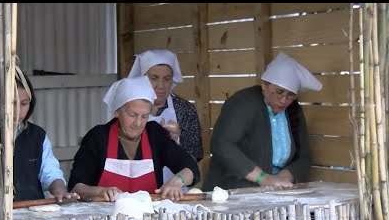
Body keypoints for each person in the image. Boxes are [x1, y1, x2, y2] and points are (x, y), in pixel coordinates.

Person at [67, 75, 201, 201]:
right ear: (117, 112)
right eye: (132, 115)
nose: (138, 123)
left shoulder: (155, 135)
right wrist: (99, 191)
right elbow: (76, 187)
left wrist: (177, 180)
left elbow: (190, 167)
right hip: (106, 219)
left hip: (149, 219)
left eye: (144, 116)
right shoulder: (98, 138)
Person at [203, 52, 322, 191]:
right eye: (279, 92)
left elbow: (304, 156)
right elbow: (222, 145)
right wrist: (263, 178)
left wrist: (285, 176)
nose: (284, 100)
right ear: (264, 85)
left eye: (290, 95)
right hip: (231, 190)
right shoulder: (243, 103)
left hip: (273, 192)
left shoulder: (293, 110)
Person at [0, 66, 80, 203]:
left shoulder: (37, 136)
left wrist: (60, 190)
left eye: (24, 104)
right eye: (11, 103)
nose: (18, 111)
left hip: (30, 212)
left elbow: (50, 172)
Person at [127, 49, 203, 186]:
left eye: (167, 79)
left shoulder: (184, 109)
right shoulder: (128, 108)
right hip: (135, 187)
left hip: (175, 190)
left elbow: (193, 158)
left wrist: (176, 141)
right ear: (141, 78)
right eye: (154, 78)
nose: (161, 86)